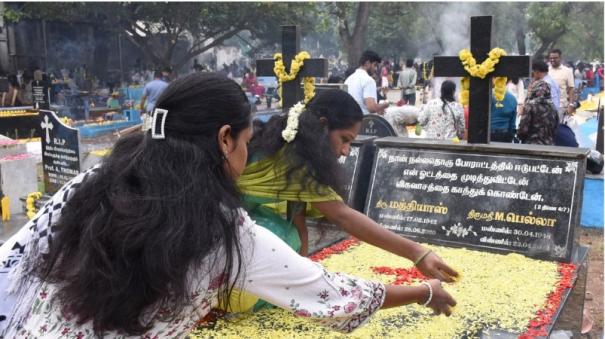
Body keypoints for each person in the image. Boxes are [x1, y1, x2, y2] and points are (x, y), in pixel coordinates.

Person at [0, 73, 456, 337]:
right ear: (224, 139)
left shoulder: (95, 180)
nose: (246, 153)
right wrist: (424, 291)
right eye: (244, 141)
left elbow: (13, 261)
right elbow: (332, 293)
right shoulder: (224, 230)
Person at [237, 88, 459, 311]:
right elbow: (343, 216)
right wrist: (418, 253)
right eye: (345, 139)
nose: (345, 151)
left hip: (235, 243)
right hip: (226, 246)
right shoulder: (292, 158)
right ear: (323, 126)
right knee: (279, 234)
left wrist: (302, 283)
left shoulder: (296, 148)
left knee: (290, 237)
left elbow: (299, 221)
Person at [518, 62, 559, 145]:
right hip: (548, 145)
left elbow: (523, 129)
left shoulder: (530, 106)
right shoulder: (552, 107)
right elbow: (556, 127)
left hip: (532, 144)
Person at [345, 50, 390, 115]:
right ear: (367, 63)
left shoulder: (349, 79)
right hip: (363, 121)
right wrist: (385, 104)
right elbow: (371, 108)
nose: (376, 69)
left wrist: (378, 108)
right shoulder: (368, 80)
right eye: (375, 65)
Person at [548, 49, 575, 121]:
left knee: (557, 128)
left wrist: (571, 105)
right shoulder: (546, 71)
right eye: (551, 58)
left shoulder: (567, 71)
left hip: (560, 106)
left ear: (560, 58)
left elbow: (571, 89)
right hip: (546, 107)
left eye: (555, 58)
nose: (552, 60)